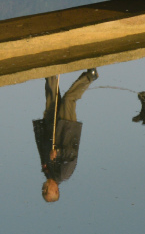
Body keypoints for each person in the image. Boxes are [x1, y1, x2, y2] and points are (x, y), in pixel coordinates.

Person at [33, 69, 98, 202]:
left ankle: (50, 71)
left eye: (43, 191)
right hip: (66, 127)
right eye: (47, 191)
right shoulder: (64, 174)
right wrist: (58, 152)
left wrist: (41, 128)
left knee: (51, 98)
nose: (44, 189)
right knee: (69, 99)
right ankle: (90, 76)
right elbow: (71, 155)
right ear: (56, 190)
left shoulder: (46, 171)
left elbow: (41, 147)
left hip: (51, 126)